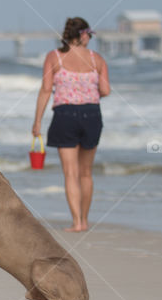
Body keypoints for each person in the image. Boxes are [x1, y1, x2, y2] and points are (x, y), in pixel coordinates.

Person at [32, 17, 110, 232]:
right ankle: (85, 221)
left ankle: (76, 222)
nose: (89, 39)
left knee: (70, 173)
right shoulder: (97, 60)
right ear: (83, 34)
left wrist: (37, 121)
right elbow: (105, 91)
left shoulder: (54, 57)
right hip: (92, 114)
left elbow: (46, 90)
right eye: (89, 35)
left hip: (64, 114)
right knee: (86, 172)